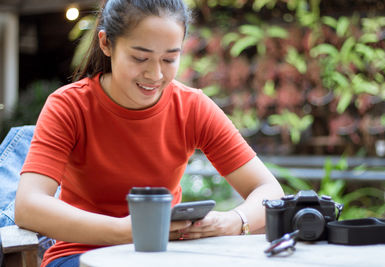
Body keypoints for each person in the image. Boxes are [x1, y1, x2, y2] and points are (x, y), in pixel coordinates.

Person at [14, 0, 284, 266]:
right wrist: (127, 230)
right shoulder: (70, 106)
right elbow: (29, 206)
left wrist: (234, 221)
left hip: (162, 256)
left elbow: (269, 189)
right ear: (106, 43)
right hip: (80, 256)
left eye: (169, 59)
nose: (155, 74)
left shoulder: (192, 107)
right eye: (140, 57)